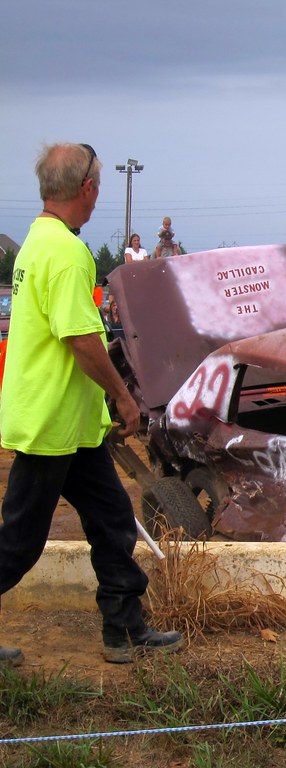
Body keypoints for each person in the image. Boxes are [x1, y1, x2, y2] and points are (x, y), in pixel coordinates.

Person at [0, 143, 182, 665]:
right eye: (98, 187)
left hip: (67, 422)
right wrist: (124, 398)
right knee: (19, 541)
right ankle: (123, 628)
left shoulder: (37, 241)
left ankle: (124, 627)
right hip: (50, 423)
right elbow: (82, 340)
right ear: (88, 189)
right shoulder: (65, 252)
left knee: (113, 519)